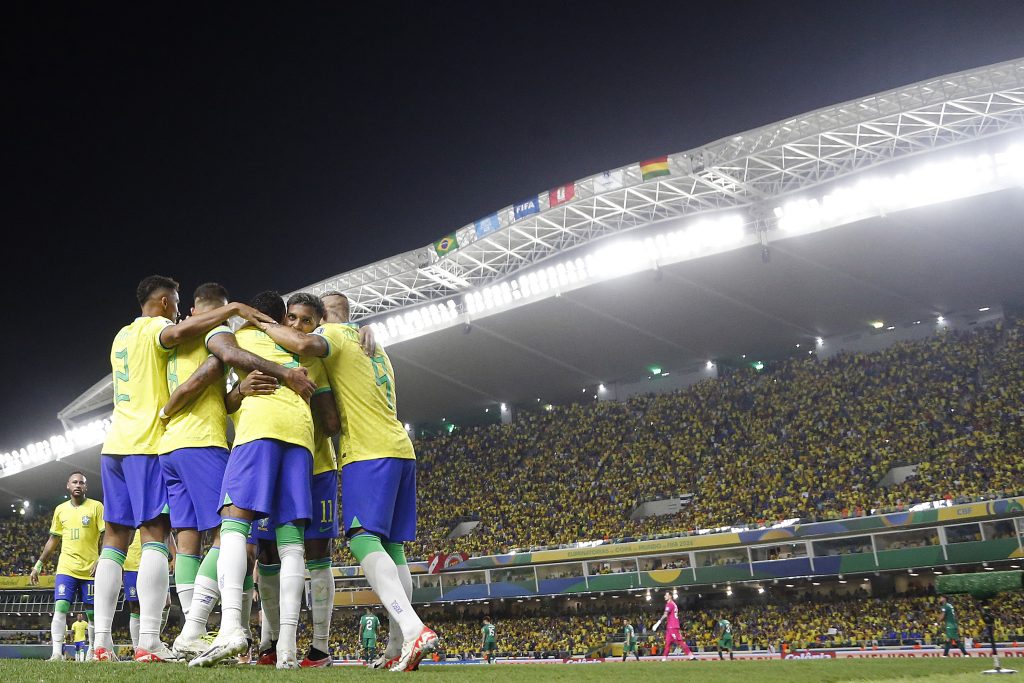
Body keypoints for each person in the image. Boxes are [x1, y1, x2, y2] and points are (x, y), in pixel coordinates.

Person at [93, 275, 276, 662]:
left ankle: (102, 642)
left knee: (115, 540)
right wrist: (234, 310)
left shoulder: (121, 336)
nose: (179, 313)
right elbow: (181, 340)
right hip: (147, 443)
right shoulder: (160, 329)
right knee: (159, 537)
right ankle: (150, 640)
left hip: (113, 446)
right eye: (174, 305)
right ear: (162, 303)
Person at [257, 290, 437, 672]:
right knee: (394, 548)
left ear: (323, 318)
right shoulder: (375, 347)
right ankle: (396, 647)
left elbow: (305, 344)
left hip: (368, 452)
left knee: (362, 539)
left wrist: (260, 321)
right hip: (401, 449)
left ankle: (413, 626)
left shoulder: (334, 338)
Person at [159, 282, 314, 660]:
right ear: (282, 318)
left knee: (230, 530)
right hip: (301, 435)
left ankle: (221, 628)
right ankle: (287, 651)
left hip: (248, 434)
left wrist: (167, 408)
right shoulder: (299, 340)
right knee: (290, 544)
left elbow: (218, 363)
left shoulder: (230, 336)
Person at [242, 293, 340, 668]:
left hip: (315, 467)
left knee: (316, 555)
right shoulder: (264, 348)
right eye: (292, 318)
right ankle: (271, 640)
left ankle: (319, 647)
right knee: (266, 553)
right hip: (275, 465)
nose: (297, 326)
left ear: (317, 326)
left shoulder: (316, 361)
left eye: (305, 321)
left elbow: (331, 423)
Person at [29, 471, 103, 661]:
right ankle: (56, 653)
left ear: (86, 487)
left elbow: (107, 535)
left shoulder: (96, 507)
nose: (78, 485)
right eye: (74, 482)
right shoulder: (60, 509)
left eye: (82, 482)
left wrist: (101, 558)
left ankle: (93, 650)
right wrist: (38, 565)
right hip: (66, 568)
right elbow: (53, 540)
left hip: (90, 569)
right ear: (68, 486)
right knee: (60, 606)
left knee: (92, 613)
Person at [652, 591, 695, 661]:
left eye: (666, 595)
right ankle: (664, 659)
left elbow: (665, 614)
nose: (664, 596)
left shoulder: (669, 604)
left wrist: (658, 623)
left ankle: (691, 656)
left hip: (673, 626)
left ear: (670, 596)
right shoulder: (674, 604)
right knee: (667, 644)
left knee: (680, 642)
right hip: (670, 626)